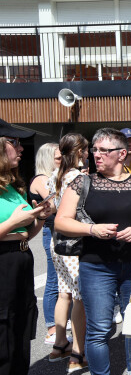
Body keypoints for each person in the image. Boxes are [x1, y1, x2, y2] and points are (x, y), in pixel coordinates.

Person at [55, 128, 131, 375]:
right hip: (95, 267)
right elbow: (61, 221)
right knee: (98, 330)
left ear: (122, 154)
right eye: (94, 150)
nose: (95, 155)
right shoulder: (83, 182)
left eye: (103, 151)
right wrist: (91, 229)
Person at [0, 118, 51, 375]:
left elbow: (25, 235)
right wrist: (12, 222)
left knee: (20, 330)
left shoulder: (10, 186)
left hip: (20, 259)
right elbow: (12, 228)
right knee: (4, 335)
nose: (21, 148)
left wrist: (40, 218)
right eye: (14, 143)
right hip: (3, 265)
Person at [47, 133, 90, 373]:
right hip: (74, 243)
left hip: (58, 243)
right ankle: (78, 351)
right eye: (85, 149)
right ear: (80, 151)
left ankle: (59, 344)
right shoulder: (77, 177)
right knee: (79, 297)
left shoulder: (57, 175)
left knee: (64, 293)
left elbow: (53, 206)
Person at [28, 142, 61, 345]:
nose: (62, 160)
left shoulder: (53, 177)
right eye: (58, 158)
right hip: (50, 230)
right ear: (48, 159)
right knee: (52, 281)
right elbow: (57, 203)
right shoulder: (41, 179)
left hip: (57, 229)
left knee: (61, 280)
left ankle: (58, 323)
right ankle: (51, 327)